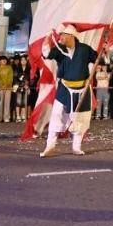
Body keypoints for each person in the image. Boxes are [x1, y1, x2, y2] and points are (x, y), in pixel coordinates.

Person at [40, 24, 99, 157]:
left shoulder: (84, 49)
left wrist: (105, 51)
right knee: (56, 115)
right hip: (65, 89)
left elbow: (98, 58)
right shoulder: (59, 49)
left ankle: (76, 147)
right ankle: (50, 146)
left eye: (63, 35)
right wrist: (47, 38)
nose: (60, 37)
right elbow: (46, 54)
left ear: (71, 36)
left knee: (80, 118)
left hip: (83, 89)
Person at [0, 56, 14, 123]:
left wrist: (7, 85)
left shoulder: (9, 68)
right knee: (0, 102)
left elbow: (10, 77)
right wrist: (1, 85)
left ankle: (6, 117)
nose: (4, 61)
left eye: (5, 60)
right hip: (0, 87)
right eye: (2, 60)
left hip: (8, 87)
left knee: (7, 102)